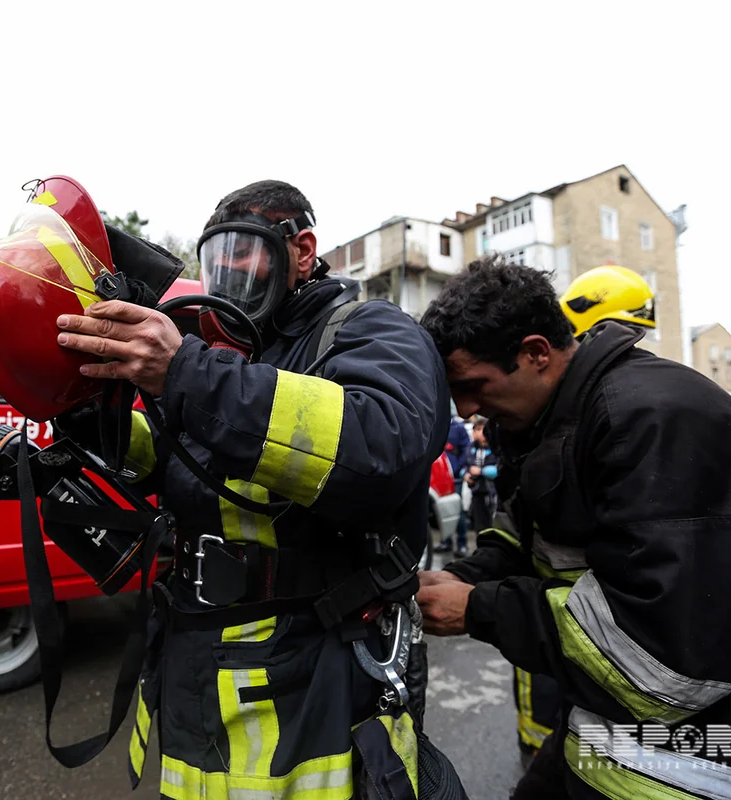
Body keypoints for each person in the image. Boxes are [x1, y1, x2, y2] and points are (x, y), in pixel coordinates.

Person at [54, 180, 463, 798]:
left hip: (319, 669)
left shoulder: (370, 329)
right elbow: (181, 467)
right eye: (215, 258)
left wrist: (189, 372)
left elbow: (384, 449)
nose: (226, 273)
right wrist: (87, 423)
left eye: (242, 251)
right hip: (202, 665)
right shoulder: (235, 355)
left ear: (301, 250)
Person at [415, 255, 731, 800]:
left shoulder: (647, 421)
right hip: (608, 735)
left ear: (535, 353)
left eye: (474, 385)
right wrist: (461, 578)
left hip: (702, 763)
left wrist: (477, 608)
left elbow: (658, 658)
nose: (468, 409)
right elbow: (527, 536)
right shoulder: (547, 421)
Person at [508, 264, 661, 771]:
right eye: (620, 332)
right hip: (558, 619)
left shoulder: (623, 412)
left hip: (591, 634)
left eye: (636, 335)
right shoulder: (558, 416)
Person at [434, 414, 472, 556]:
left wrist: (457, 468)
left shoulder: (458, 428)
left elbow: (466, 449)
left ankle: (462, 543)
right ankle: (446, 541)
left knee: (458, 511)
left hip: (453, 478)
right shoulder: (435, 424)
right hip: (438, 478)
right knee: (443, 510)